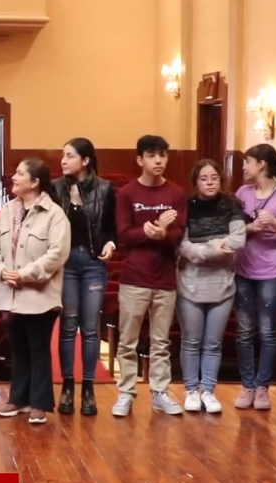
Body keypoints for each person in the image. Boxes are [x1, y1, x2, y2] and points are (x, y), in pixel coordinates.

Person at [0, 159, 70, 424]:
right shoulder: (7, 210)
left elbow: (56, 254)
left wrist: (24, 275)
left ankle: (40, 403)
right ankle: (18, 399)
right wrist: (1, 271)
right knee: (18, 349)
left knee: (38, 348)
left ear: (35, 182)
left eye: (20, 173)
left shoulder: (55, 214)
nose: (14, 177)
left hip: (40, 295)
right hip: (8, 294)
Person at [113, 135, 187, 417]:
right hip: (134, 278)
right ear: (140, 159)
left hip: (166, 279)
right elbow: (124, 234)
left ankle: (160, 392)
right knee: (128, 341)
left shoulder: (177, 193)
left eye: (163, 155)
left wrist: (164, 234)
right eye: (153, 155)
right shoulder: (127, 193)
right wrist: (149, 232)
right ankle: (126, 393)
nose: (159, 160)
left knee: (161, 342)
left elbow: (179, 233)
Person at [49, 137, 116, 416]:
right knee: (68, 326)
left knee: (90, 329)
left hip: (92, 263)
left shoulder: (105, 189)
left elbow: (113, 227)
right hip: (65, 263)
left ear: (85, 161)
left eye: (69, 156)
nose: (63, 161)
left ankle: (88, 388)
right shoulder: (54, 188)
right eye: (62, 156)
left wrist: (111, 243)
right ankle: (67, 385)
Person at [233, 144, 276, 410]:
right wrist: (251, 227)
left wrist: (274, 223)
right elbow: (234, 229)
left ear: (261, 164)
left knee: (268, 332)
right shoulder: (242, 192)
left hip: (272, 274)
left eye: (247, 162)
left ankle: (263, 388)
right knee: (244, 332)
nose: (244, 167)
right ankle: (247, 385)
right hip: (243, 271)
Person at [176, 160, 246, 413]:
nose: (210, 182)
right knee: (191, 341)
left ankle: (208, 390)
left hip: (222, 284)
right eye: (204, 178)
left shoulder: (232, 205)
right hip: (190, 284)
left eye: (214, 177)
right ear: (195, 182)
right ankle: (191, 390)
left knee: (213, 343)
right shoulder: (186, 206)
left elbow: (237, 240)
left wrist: (205, 250)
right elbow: (183, 246)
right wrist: (213, 249)